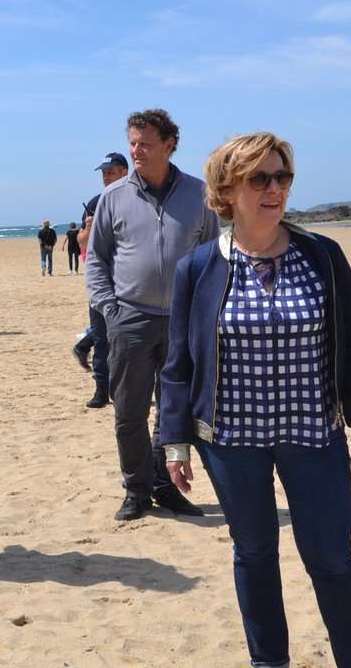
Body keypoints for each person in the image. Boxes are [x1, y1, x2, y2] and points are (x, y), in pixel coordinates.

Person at [160, 132, 351, 668]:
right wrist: (173, 441)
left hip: (313, 435)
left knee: (332, 559)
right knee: (255, 552)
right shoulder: (199, 267)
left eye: (281, 177)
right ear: (227, 188)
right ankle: (270, 662)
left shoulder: (323, 256)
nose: (274, 188)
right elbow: (178, 363)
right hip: (230, 441)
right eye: (258, 178)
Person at [85, 111, 220, 520]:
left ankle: (165, 487)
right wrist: (111, 310)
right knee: (129, 411)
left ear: (169, 144)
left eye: (144, 143)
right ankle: (136, 490)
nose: (135, 151)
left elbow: (213, 257)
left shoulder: (199, 195)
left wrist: (202, 312)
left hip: (183, 324)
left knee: (173, 411)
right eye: (132, 143)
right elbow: (97, 260)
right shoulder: (113, 197)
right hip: (131, 319)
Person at [73, 152, 130, 408]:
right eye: (104, 173)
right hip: (101, 283)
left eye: (111, 172)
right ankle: (101, 389)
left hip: (129, 282)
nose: (107, 177)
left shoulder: (136, 199)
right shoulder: (96, 202)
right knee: (101, 338)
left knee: (128, 342)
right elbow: (82, 243)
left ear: (124, 173)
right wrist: (89, 227)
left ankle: (122, 390)